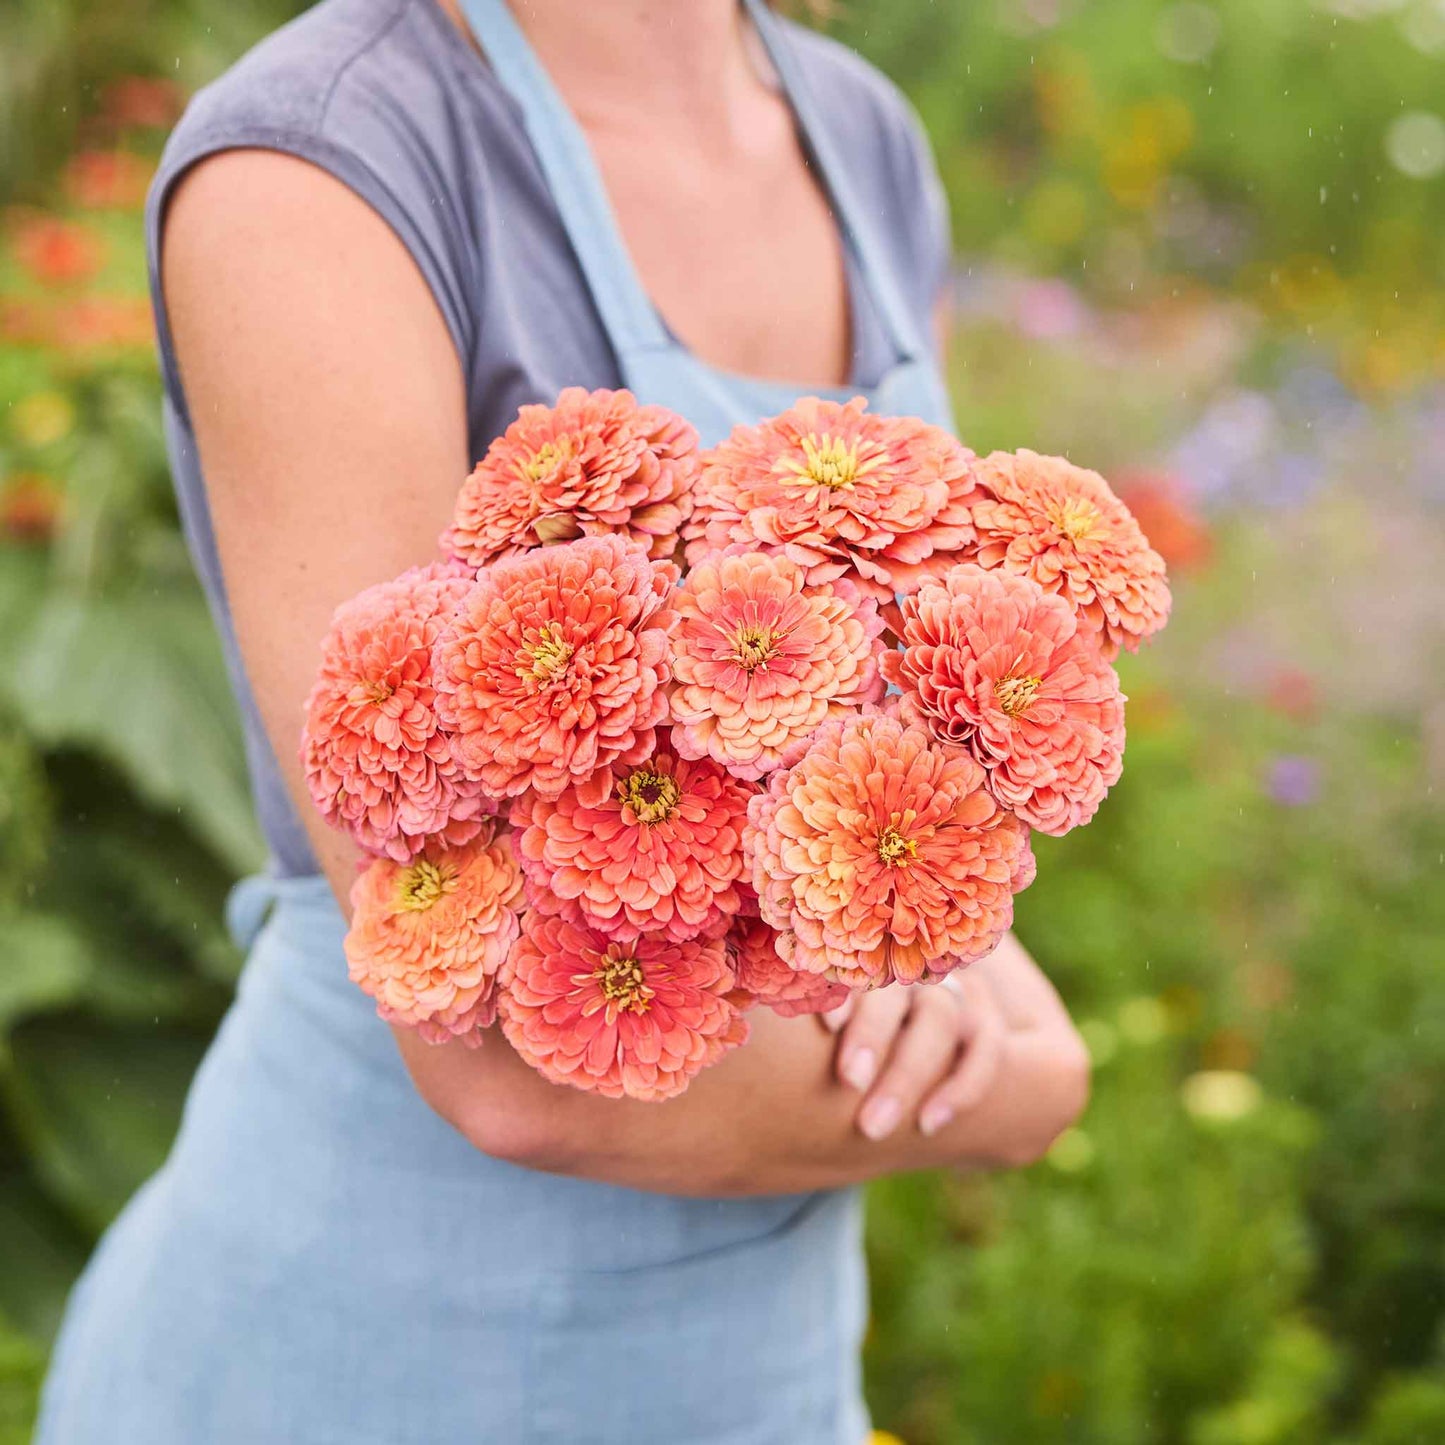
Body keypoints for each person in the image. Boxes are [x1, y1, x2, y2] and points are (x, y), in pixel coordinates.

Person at [36, 1, 1090, 1440]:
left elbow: (905, 737)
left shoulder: (862, 138)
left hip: (754, 1376)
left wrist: (913, 927)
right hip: (373, 1357)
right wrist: (1030, 1084)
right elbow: (518, 1079)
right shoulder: (317, 163)